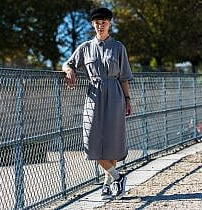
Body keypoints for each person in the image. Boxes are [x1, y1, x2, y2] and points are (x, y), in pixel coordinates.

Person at [62, 7, 133, 199]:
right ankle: (118, 177)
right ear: (93, 24)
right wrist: (69, 71)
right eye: (97, 23)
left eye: (104, 22)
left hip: (116, 95)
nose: (100, 26)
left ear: (109, 23)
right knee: (90, 141)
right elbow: (67, 63)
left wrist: (127, 99)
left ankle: (107, 185)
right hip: (94, 95)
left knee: (112, 141)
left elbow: (124, 77)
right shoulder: (85, 47)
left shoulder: (119, 47)